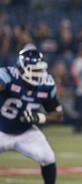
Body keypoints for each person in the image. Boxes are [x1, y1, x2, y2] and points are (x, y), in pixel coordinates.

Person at [0, 46, 64, 184]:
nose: (39, 74)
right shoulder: (9, 76)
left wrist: (39, 117)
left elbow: (58, 114)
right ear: (22, 69)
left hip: (26, 131)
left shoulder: (46, 84)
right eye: (35, 71)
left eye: (40, 70)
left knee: (48, 157)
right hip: (2, 128)